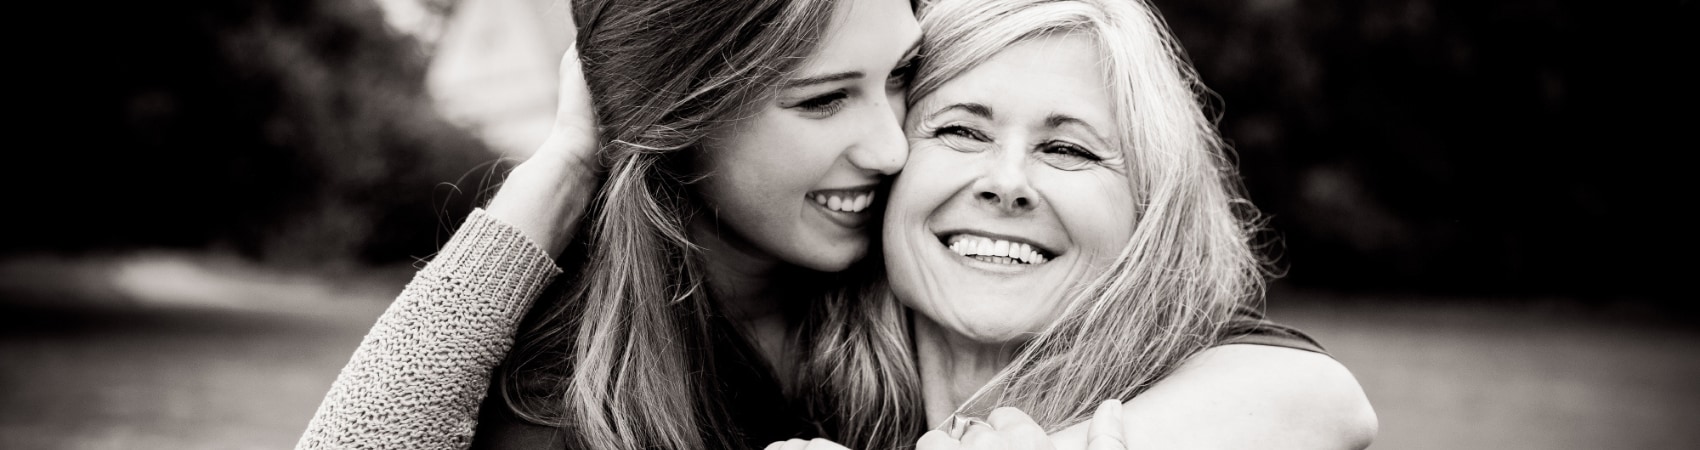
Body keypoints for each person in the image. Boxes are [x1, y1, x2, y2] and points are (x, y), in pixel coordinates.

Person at [297, 0, 1371, 449]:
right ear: (683, 123)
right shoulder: (579, 374)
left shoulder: (944, 301)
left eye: (899, 84)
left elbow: (1310, 396)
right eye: (820, 101)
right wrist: (572, 159)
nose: (891, 147)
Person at [872, 0, 1376, 448]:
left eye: (1068, 148)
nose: (1007, 182)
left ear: (1150, 206)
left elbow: (1318, 397)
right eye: (962, 131)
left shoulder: (1218, 385)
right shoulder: (805, 384)